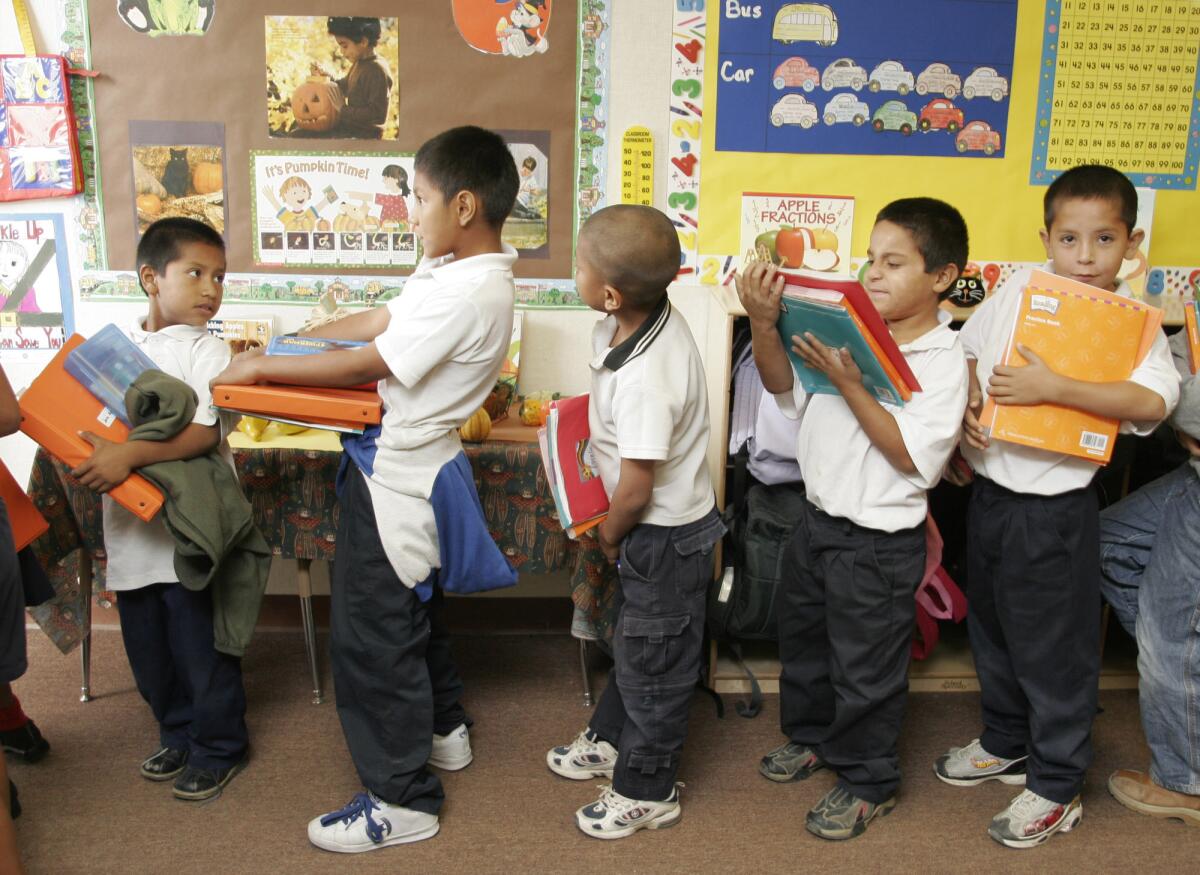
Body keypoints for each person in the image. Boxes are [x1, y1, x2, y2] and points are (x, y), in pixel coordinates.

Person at [213, 126, 520, 854]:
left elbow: (373, 360)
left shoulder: (472, 291)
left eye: (416, 197)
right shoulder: (445, 268)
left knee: (373, 634)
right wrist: (294, 342)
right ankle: (443, 729)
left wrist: (264, 373)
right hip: (396, 463)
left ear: (466, 204)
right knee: (412, 613)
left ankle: (402, 798)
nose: (407, 211)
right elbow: (382, 319)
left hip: (403, 478)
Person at [938, 164, 1180, 848]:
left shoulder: (1133, 323)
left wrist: (1058, 384)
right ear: (1045, 237)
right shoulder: (1020, 288)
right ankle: (1008, 740)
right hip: (991, 496)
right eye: (1069, 239)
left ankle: (1056, 781)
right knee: (993, 627)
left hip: (1055, 512)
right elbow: (967, 353)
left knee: (1054, 650)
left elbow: (1153, 402)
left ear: (1130, 244)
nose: (1083, 257)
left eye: (1103, 240)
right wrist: (969, 414)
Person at [737, 198, 970, 840]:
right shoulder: (852, 331)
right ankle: (812, 738)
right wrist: (763, 321)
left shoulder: (944, 359)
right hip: (815, 521)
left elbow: (912, 460)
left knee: (866, 668)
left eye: (894, 263)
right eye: (871, 258)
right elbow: (783, 388)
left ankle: (869, 780)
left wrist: (850, 384)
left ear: (942, 276)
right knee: (805, 646)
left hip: (877, 541)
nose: (873, 273)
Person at [545, 205, 725, 839]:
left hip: (661, 535)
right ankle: (612, 736)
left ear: (610, 293)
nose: (576, 271)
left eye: (579, 265)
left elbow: (638, 487)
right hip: (651, 532)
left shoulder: (649, 375)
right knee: (636, 641)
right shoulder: (629, 325)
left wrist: (611, 533)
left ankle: (648, 790)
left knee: (658, 663)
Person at [71, 217, 250, 802]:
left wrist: (127, 456)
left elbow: (202, 432)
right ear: (150, 278)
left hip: (188, 539)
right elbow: (81, 427)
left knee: (203, 651)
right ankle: (176, 730)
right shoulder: (113, 351)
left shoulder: (209, 349)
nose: (210, 289)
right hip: (130, 536)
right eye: (195, 273)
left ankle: (220, 745)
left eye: (219, 276)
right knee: (150, 655)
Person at [1100, 327, 1200, 825]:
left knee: (1171, 636)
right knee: (1106, 541)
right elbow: (1171, 378)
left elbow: (1184, 406)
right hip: (1193, 476)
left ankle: (1185, 783)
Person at [324, 17, 393, 139]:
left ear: (363, 41)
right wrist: (326, 78)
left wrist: (343, 109)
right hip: (349, 129)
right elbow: (345, 87)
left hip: (364, 137)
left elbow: (377, 115)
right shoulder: (359, 63)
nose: (341, 52)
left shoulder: (377, 70)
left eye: (344, 46)